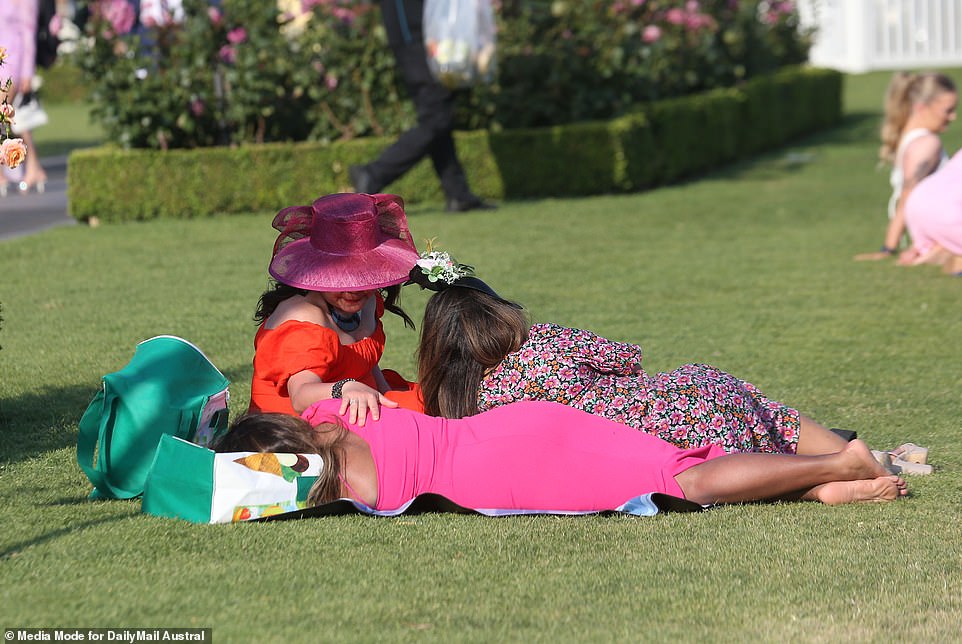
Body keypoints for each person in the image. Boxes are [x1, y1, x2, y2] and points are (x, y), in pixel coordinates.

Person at [408, 257, 863, 457]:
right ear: (499, 312)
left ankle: (834, 467)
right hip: (687, 412)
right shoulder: (546, 343)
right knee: (741, 400)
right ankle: (845, 455)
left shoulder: (469, 409)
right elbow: (628, 359)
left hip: (651, 455)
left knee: (749, 425)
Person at [215, 399, 907, 512]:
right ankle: (818, 486)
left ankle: (839, 463)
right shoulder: (333, 418)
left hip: (500, 469)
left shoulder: (311, 484)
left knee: (680, 482)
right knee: (671, 464)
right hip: (514, 428)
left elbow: (219, 495)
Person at [248, 192, 422, 424]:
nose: (354, 289)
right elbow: (301, 397)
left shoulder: (365, 300)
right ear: (319, 272)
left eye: (364, 275)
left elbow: (365, 365)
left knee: (432, 403)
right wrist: (346, 387)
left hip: (353, 409)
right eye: (342, 277)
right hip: (298, 433)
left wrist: (393, 399)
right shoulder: (304, 319)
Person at [348, 0, 494, 213]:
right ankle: (373, 174)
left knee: (439, 114)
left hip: (422, 36)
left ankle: (458, 193)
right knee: (436, 118)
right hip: (416, 39)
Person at [855, 72, 957, 261]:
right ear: (921, 108)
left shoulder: (909, 140)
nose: (953, 117)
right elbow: (907, 198)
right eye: (948, 110)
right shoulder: (926, 144)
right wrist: (888, 248)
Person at [0, 0, 48, 196]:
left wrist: (27, 72)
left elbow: (28, 32)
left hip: (12, 59)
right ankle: (34, 167)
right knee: (15, 119)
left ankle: (11, 171)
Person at [902, 149, 962, 274]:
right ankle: (954, 256)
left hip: (919, 200)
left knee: (943, 230)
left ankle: (938, 247)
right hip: (949, 209)